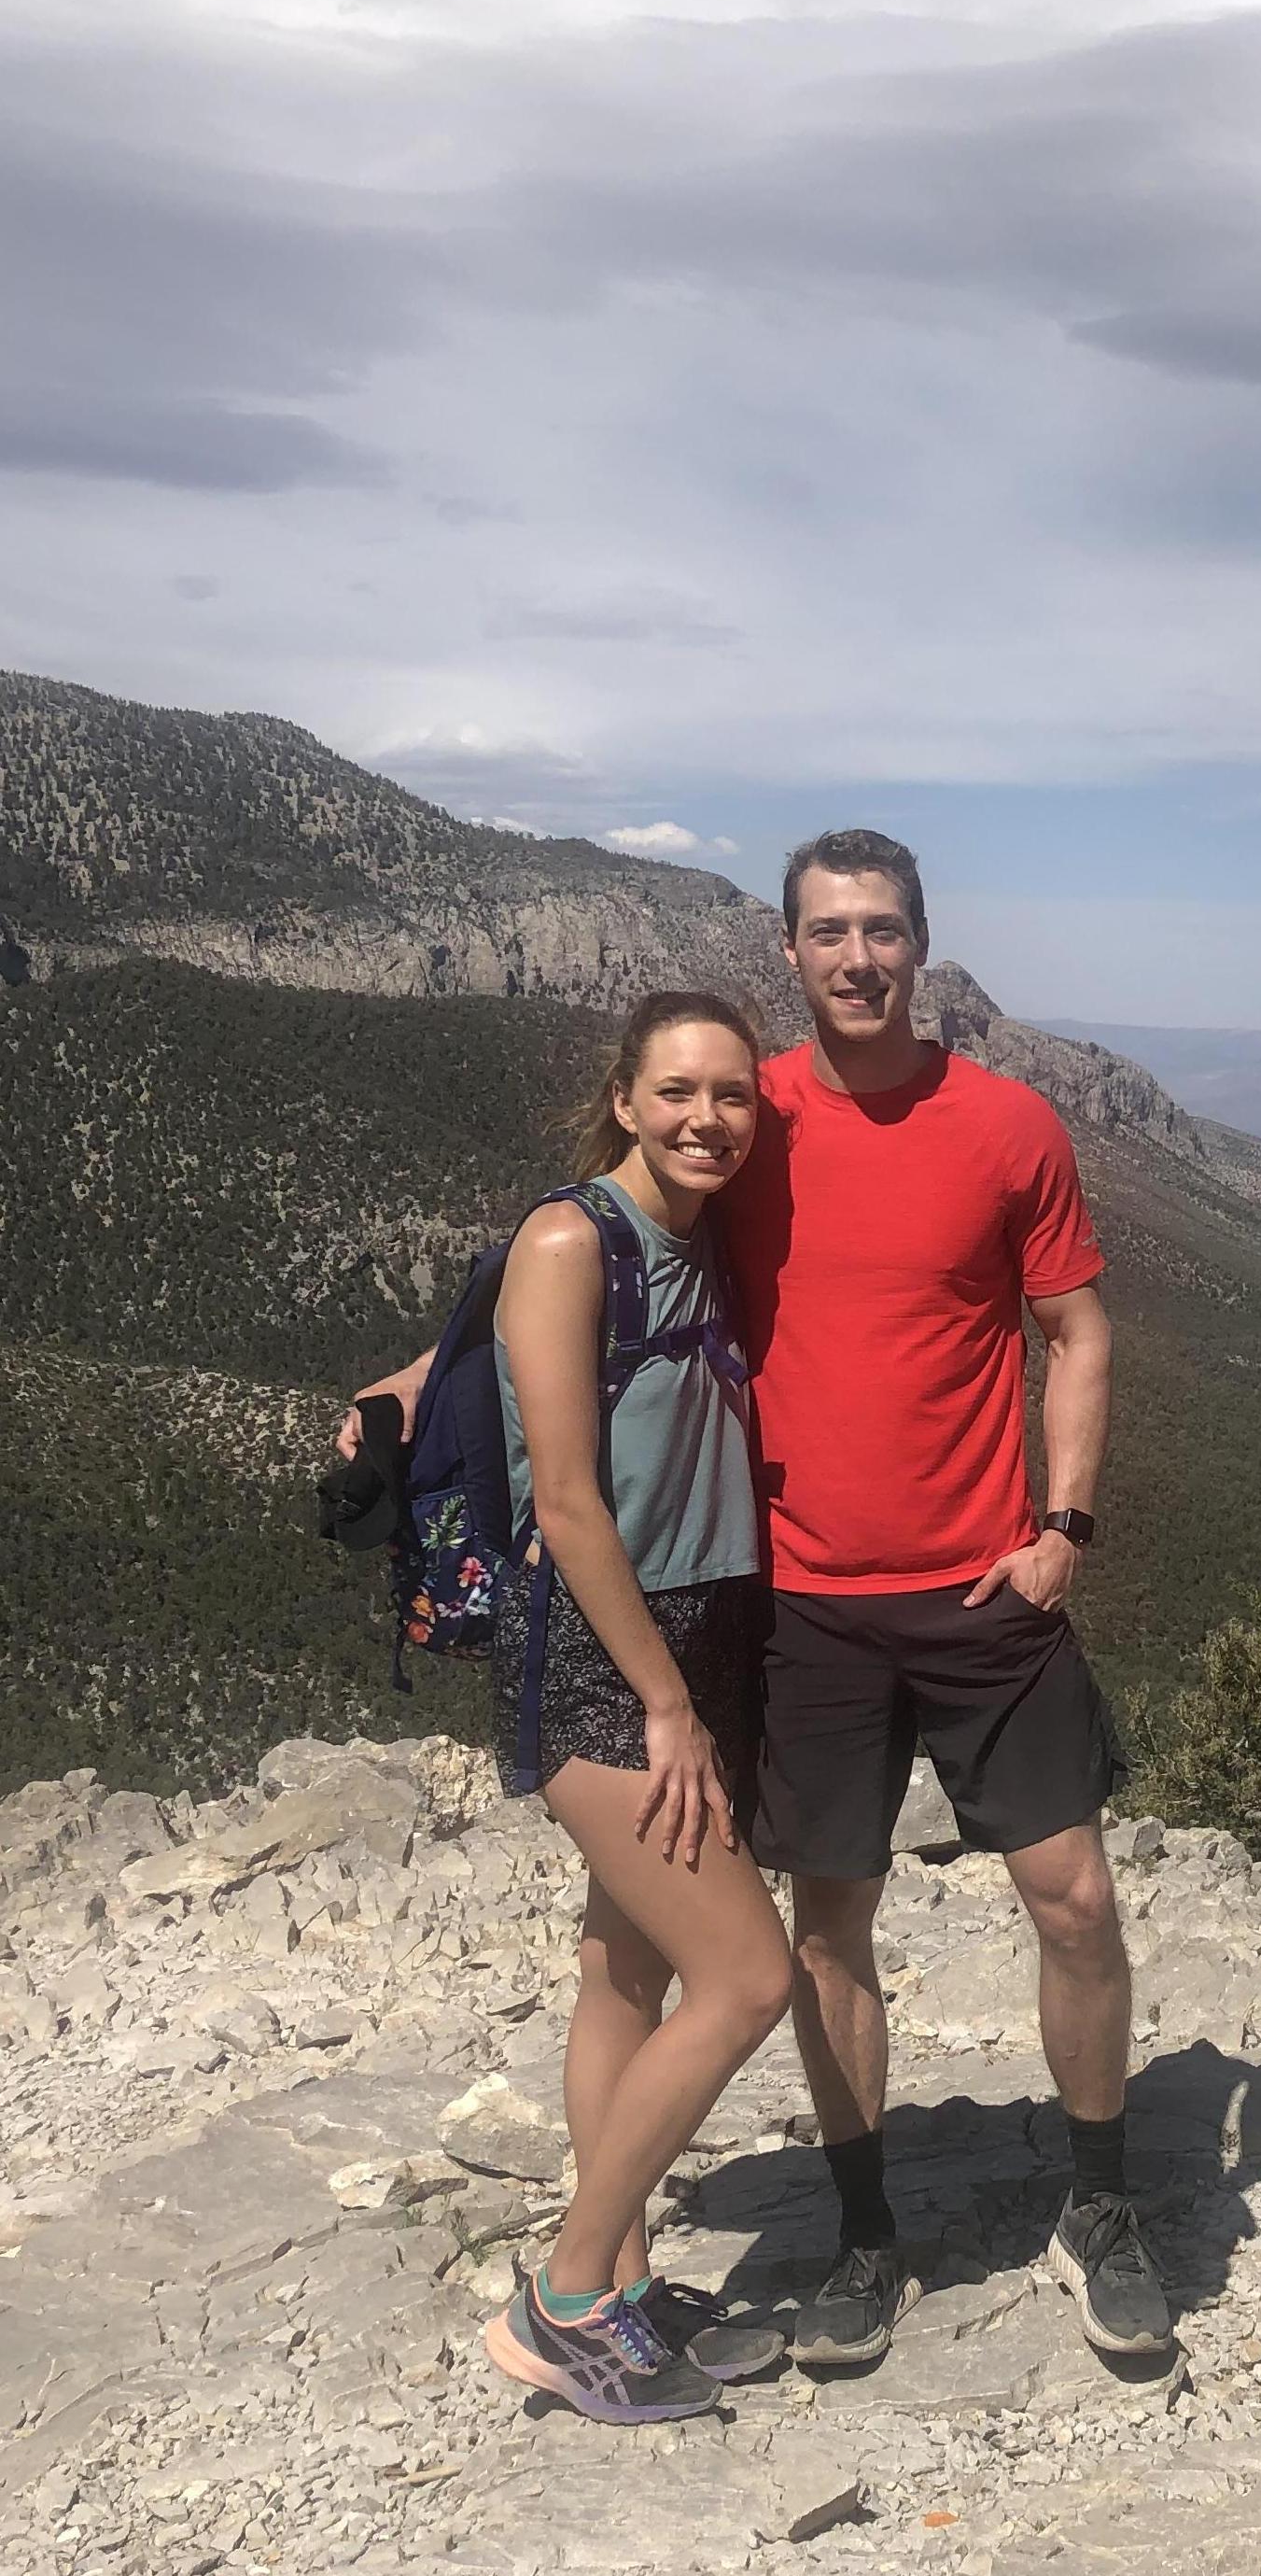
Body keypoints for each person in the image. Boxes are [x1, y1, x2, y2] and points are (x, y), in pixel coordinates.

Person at [350, 838, 1169, 2368]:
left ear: (920, 944)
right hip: (798, 1606)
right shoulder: (752, 1114)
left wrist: (1063, 1523)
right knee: (823, 1928)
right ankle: (858, 2238)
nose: (857, 956)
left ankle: (1102, 2204)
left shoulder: (1006, 1125)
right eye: (828, 932)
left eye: (883, 930)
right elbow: (562, 1260)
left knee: (1074, 1897)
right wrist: (410, 1384)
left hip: (977, 1580)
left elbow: (1077, 1329)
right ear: (788, 952)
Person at [473, 991, 798, 2422]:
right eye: (676, 1091)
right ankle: (561, 2295)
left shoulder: (697, 1230)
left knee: (627, 1970)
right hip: (607, 1655)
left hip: (704, 1629)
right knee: (748, 1978)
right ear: (623, 1098)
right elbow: (565, 1499)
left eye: (731, 1094)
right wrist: (668, 1704)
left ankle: (622, 2282)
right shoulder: (571, 1239)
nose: (705, 1118)